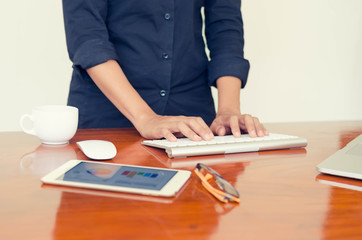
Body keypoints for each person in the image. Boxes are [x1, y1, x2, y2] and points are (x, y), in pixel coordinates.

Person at [62, 0, 268, 142]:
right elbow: (87, 37)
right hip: (108, 117)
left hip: (192, 118)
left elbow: (225, 24)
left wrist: (228, 112)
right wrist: (145, 118)